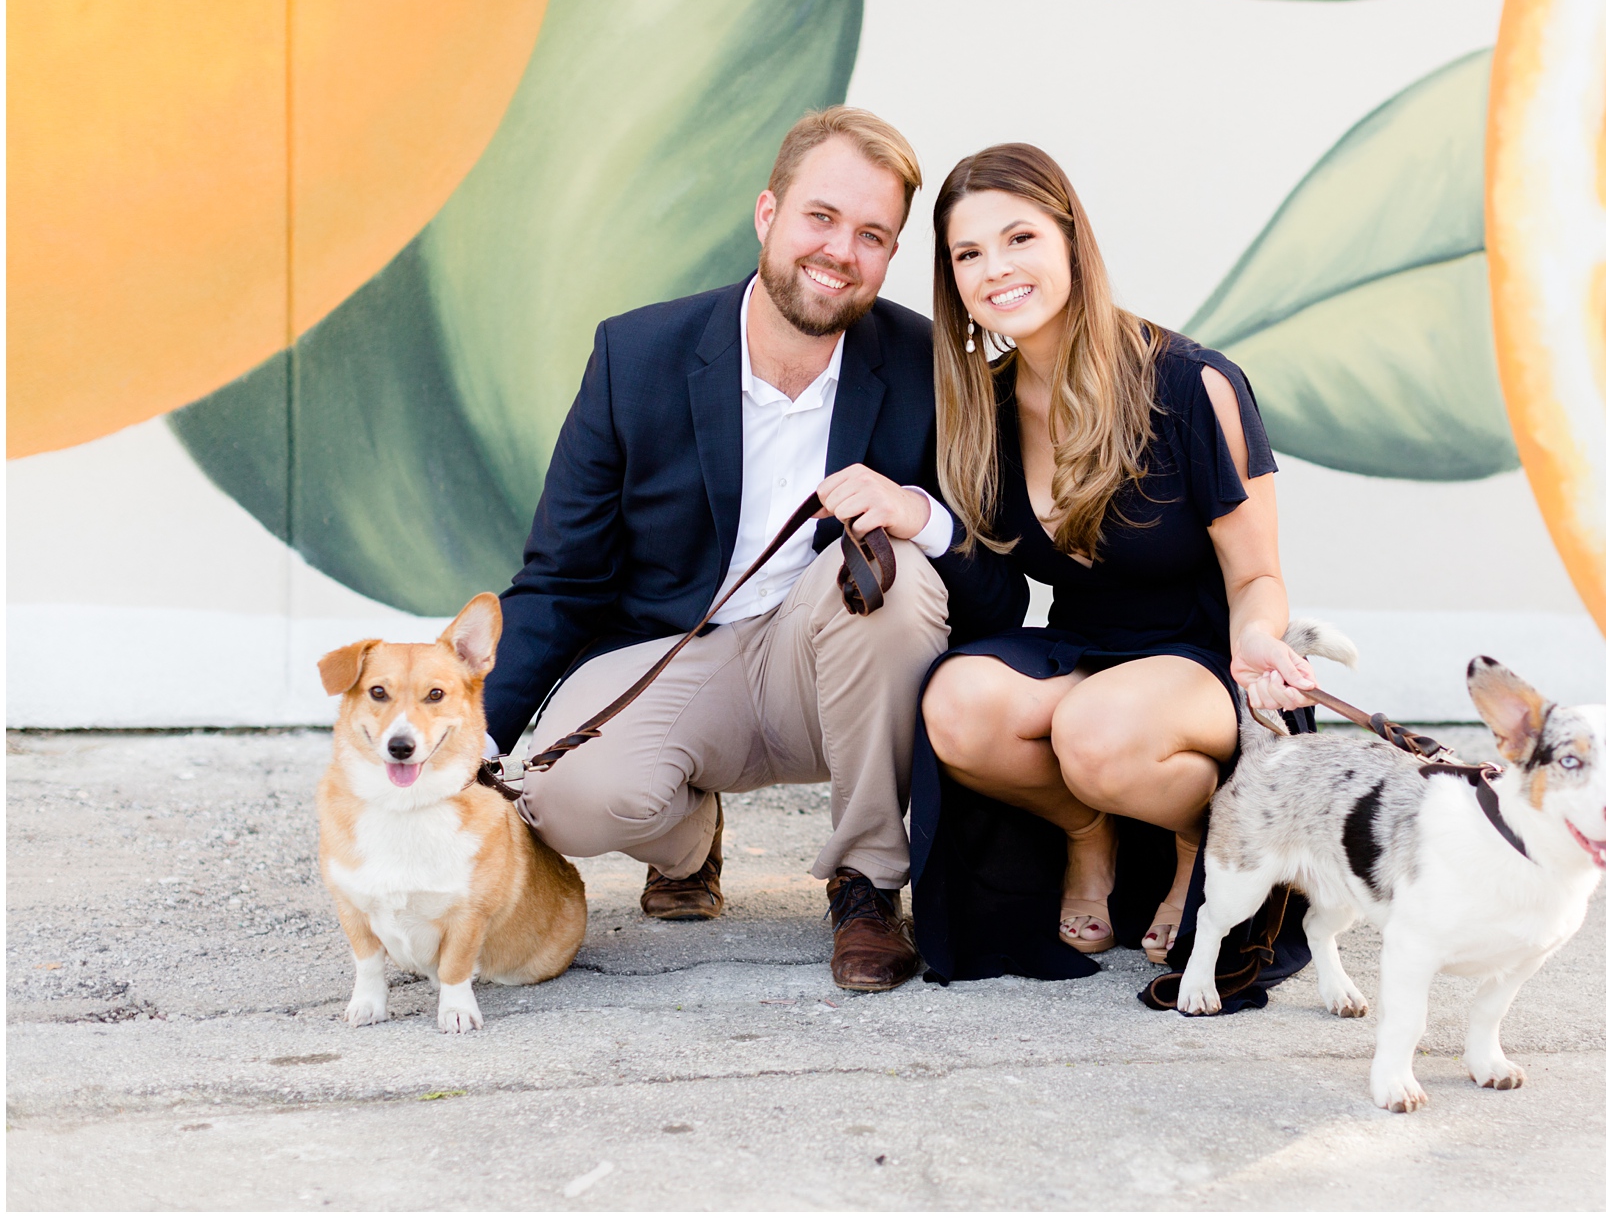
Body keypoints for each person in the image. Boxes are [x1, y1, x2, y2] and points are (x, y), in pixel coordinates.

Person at [482, 108, 1024, 993]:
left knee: (899, 575)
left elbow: (999, 595)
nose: (841, 251)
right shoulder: (637, 355)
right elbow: (558, 580)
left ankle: (868, 885)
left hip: (834, 669)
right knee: (568, 799)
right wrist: (474, 736)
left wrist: (916, 513)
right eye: (821, 217)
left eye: (872, 235)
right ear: (768, 214)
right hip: (676, 658)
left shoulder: (934, 370)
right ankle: (689, 842)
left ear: (890, 258)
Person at [913, 142, 1319, 989]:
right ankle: (1086, 832)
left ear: (1069, 239)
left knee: (1095, 732)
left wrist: (1257, 643)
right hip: (1085, 647)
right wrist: (918, 518)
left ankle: (1199, 844)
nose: (997, 269)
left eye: (1019, 237)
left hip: (1205, 659)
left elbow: (1257, 577)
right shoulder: (980, 408)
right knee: (956, 705)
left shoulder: (1192, 383)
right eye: (968, 254)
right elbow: (993, 587)